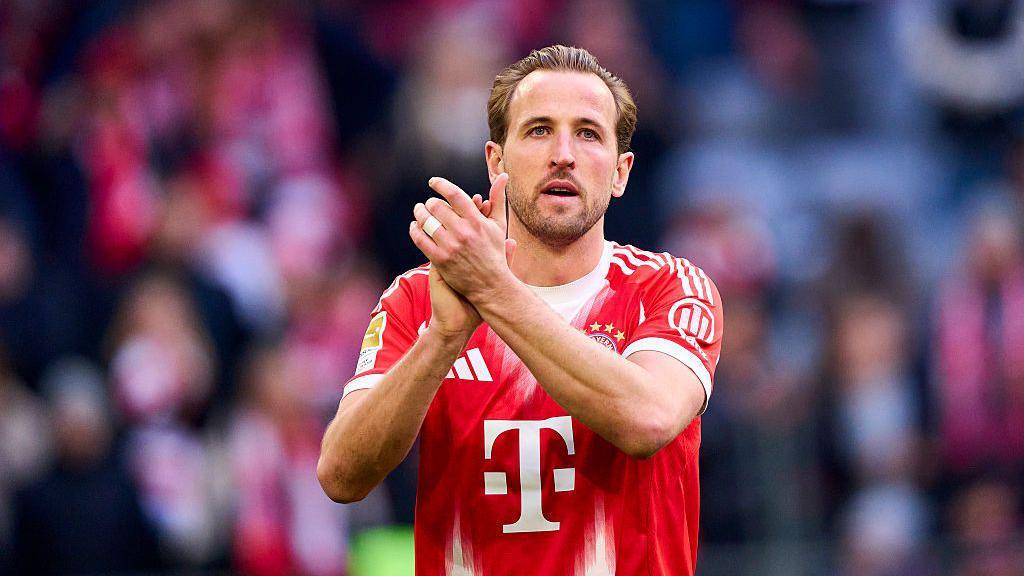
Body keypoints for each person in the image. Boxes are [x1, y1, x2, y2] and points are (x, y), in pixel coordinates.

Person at [318, 45, 724, 575]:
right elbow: (341, 476)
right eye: (538, 130)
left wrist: (493, 292)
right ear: (496, 160)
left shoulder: (669, 286)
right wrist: (441, 340)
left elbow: (647, 420)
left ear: (621, 173)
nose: (563, 154)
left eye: (588, 133)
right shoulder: (420, 300)